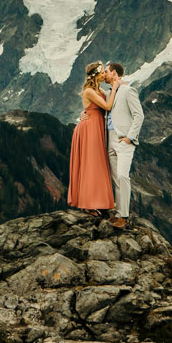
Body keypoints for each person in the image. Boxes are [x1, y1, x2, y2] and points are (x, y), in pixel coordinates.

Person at [66, 61, 117, 216]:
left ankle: (98, 201)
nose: (104, 75)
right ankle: (88, 203)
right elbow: (107, 106)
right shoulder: (89, 91)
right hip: (89, 129)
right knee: (91, 163)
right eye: (102, 72)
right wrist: (114, 88)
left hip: (96, 127)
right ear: (95, 75)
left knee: (98, 163)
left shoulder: (98, 89)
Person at [103, 61, 144, 228]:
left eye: (106, 71)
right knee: (116, 179)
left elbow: (139, 115)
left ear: (114, 73)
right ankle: (118, 213)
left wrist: (129, 137)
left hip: (123, 139)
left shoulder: (128, 91)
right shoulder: (108, 93)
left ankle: (124, 216)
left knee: (122, 176)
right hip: (110, 139)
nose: (104, 74)